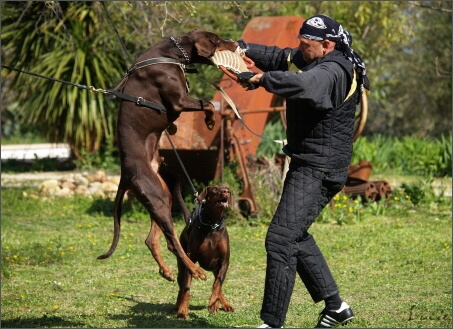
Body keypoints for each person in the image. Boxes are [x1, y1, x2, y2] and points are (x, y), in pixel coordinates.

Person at [235, 14, 370, 328]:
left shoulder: (336, 70)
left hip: (320, 169)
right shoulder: (314, 57)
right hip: (308, 163)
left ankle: (272, 323)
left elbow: (305, 84)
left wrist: (261, 80)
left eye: (305, 44)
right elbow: (282, 58)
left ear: (325, 45)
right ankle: (336, 307)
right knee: (295, 235)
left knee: (281, 239)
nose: (299, 49)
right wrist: (242, 48)